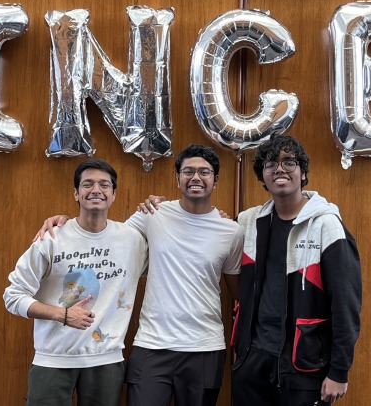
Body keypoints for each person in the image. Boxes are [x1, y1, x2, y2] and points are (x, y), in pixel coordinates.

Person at [36, 144, 242, 406]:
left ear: (216, 179)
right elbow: (104, 237)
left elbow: (238, 290)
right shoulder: (153, 213)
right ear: (177, 177)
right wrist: (67, 222)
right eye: (188, 171)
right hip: (152, 344)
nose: (196, 177)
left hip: (205, 346)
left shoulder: (230, 231)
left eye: (204, 172)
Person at [5, 158, 148, 406]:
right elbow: (13, 296)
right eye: (88, 184)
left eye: (104, 185)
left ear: (114, 194)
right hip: (53, 358)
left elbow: (171, 258)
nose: (96, 190)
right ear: (76, 194)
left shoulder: (132, 240)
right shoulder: (52, 237)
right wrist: (62, 314)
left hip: (106, 359)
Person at [231, 135, 362, 405]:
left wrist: (339, 371)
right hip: (253, 359)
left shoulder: (326, 225)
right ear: (263, 176)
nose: (279, 169)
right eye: (270, 164)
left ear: (303, 173)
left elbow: (346, 303)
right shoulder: (248, 222)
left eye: (289, 162)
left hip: (304, 365)